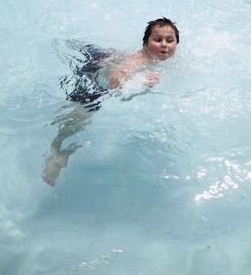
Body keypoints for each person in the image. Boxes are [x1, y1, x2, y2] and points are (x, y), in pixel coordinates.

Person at [42, 17, 180, 186]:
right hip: (94, 76)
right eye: (157, 40)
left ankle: (58, 35)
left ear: (176, 44)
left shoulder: (163, 58)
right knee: (79, 115)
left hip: (104, 55)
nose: (164, 44)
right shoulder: (140, 60)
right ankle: (56, 151)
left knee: (70, 43)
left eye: (170, 40)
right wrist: (141, 83)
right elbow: (116, 83)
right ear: (146, 44)